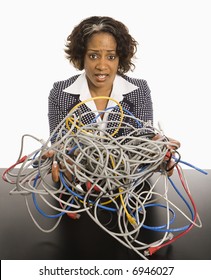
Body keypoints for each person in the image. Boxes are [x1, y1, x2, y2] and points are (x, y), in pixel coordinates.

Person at [47, 16, 180, 177]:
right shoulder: (60, 93)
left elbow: (144, 143)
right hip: (77, 189)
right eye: (93, 56)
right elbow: (58, 146)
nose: (102, 66)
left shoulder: (138, 91)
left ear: (120, 59)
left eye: (110, 57)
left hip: (128, 191)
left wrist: (159, 155)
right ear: (81, 56)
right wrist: (59, 160)